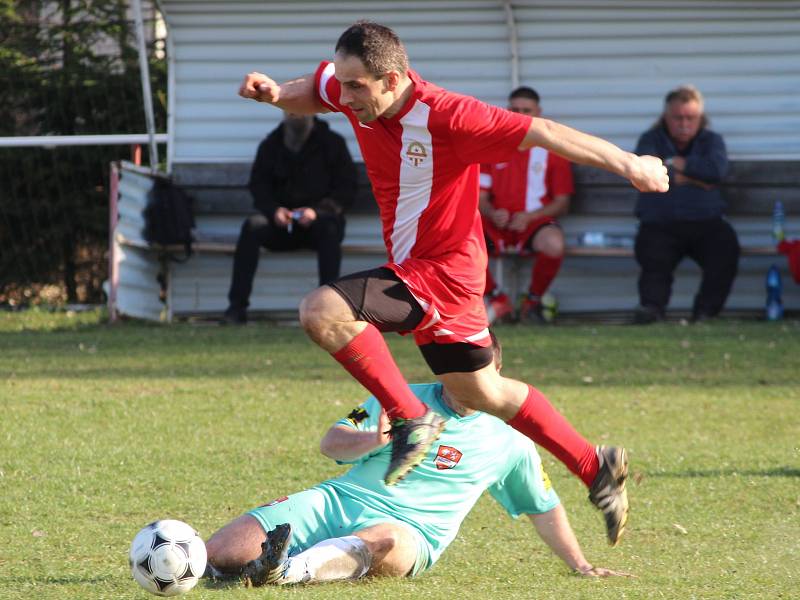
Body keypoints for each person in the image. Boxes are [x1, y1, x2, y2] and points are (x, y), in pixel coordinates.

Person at [238, 20, 668, 545]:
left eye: (357, 87)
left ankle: (410, 418)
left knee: (322, 311)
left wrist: (631, 164)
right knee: (480, 390)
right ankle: (593, 463)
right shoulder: (354, 90)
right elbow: (317, 87)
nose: (345, 97)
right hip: (440, 275)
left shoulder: (451, 116)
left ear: (393, 79)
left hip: (440, 271)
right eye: (344, 84)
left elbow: (546, 132)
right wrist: (280, 93)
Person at [204, 336, 632, 585]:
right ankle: (202, 566)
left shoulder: (511, 441)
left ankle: (289, 570)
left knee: (386, 543)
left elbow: (543, 506)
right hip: (335, 501)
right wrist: (372, 439)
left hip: (410, 532)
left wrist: (581, 565)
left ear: (494, 377)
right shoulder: (393, 395)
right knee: (221, 553)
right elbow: (331, 441)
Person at [222, 111, 357, 324]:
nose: (296, 114)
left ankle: (328, 310)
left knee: (330, 230)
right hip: (282, 226)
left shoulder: (332, 143)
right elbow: (259, 186)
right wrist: (274, 210)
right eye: (290, 109)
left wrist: (318, 211)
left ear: (312, 111)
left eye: (300, 108)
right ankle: (236, 309)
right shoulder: (271, 144)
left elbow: (347, 188)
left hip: (320, 224)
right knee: (252, 227)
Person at [632, 85, 738, 324]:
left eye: (690, 118)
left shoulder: (712, 140)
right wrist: (699, 180)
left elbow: (717, 171)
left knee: (725, 250)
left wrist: (678, 165)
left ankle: (705, 314)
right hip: (660, 222)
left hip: (706, 222)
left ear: (700, 118)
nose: (684, 124)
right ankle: (651, 311)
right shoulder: (650, 140)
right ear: (665, 117)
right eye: (677, 118)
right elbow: (644, 171)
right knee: (654, 258)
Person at [480, 86, 574, 323]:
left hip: (534, 223)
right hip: (496, 224)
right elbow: (480, 198)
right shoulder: (493, 146)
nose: (520, 115)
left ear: (538, 113)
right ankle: (496, 299)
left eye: (527, 110)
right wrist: (492, 212)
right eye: (515, 109)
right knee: (459, 240)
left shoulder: (553, 150)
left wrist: (529, 217)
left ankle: (531, 303)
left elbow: (562, 202)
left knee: (554, 244)